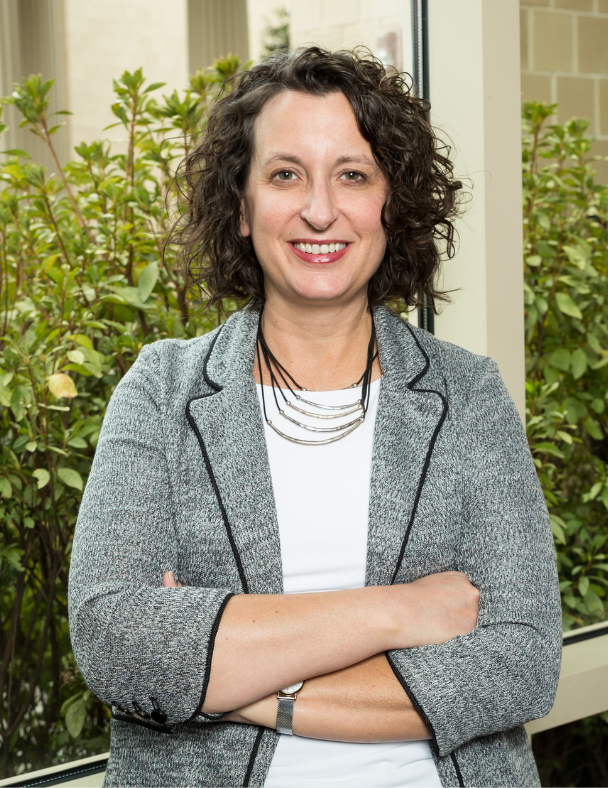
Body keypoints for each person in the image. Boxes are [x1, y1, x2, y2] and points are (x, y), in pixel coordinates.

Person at [68, 47, 561, 788]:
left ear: (391, 204)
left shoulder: (469, 395)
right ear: (240, 205)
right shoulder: (161, 390)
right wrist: (399, 613)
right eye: (285, 174)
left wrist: (233, 681)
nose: (320, 209)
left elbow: (520, 661)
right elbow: (117, 641)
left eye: (353, 175)